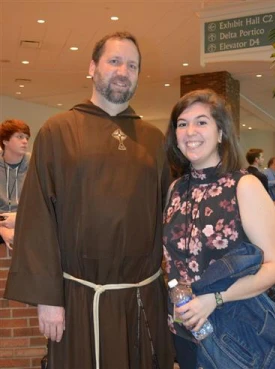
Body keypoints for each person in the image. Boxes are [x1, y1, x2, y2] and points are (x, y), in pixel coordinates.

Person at [4, 31, 173, 369]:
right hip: (80, 299)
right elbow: (38, 218)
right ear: (92, 67)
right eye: (114, 61)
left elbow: (167, 218)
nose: (123, 71)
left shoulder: (154, 141)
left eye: (132, 65)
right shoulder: (59, 131)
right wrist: (47, 300)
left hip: (142, 297)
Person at [163, 89, 275, 369]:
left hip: (234, 331)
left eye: (202, 122)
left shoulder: (243, 185)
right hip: (185, 331)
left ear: (221, 133)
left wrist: (215, 299)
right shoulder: (175, 189)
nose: (191, 131)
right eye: (182, 123)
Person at [0, 119, 30, 249]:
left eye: (27, 138)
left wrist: (19, 218)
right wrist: (2, 230)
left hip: (27, 221)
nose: (25, 141)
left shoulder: (35, 165)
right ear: (5, 141)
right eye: (19, 137)